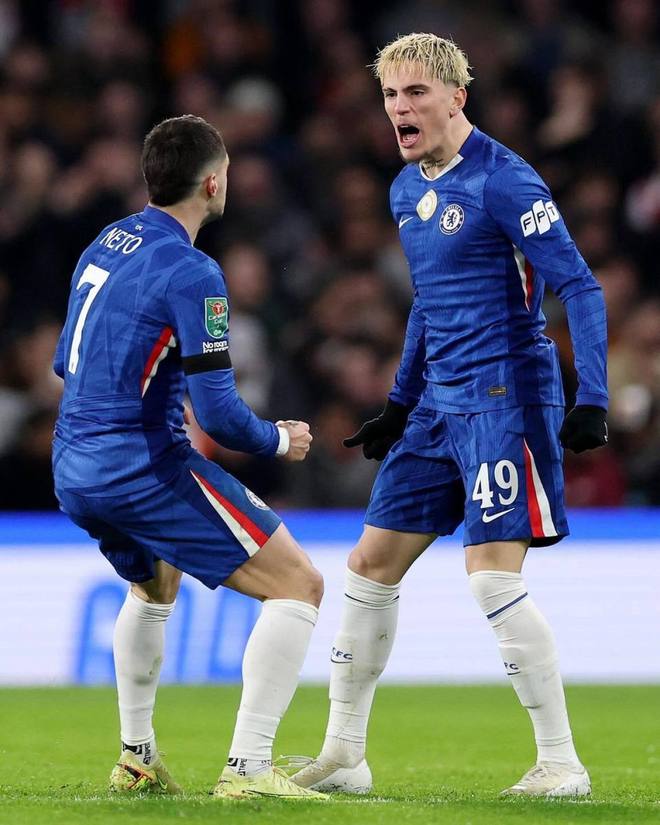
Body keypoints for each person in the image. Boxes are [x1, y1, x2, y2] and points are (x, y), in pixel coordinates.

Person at [292, 33, 608, 798]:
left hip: (505, 396)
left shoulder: (506, 180)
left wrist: (592, 396)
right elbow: (429, 305)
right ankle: (345, 754)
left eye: (415, 93)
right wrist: (399, 403)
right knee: (369, 565)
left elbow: (581, 286)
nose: (399, 109)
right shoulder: (407, 190)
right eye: (390, 95)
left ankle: (561, 763)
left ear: (456, 97)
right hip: (437, 402)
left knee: (490, 577)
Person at [52, 115, 327, 801]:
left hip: (73, 463)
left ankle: (137, 758)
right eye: (226, 171)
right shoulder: (194, 271)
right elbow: (221, 415)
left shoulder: (106, 241)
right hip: (140, 466)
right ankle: (249, 768)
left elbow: (66, 363)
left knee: (155, 586)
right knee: (299, 585)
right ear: (211, 183)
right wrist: (279, 439)